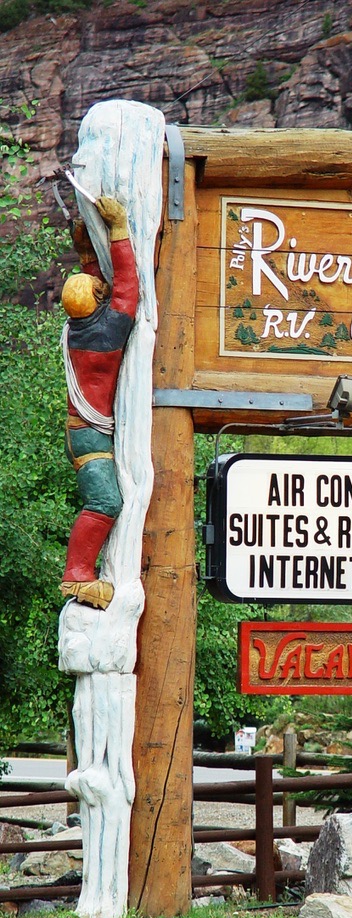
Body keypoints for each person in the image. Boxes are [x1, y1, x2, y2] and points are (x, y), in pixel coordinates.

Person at [60, 196, 139, 610]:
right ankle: (77, 574)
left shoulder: (77, 328)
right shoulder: (107, 335)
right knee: (105, 501)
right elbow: (126, 288)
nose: (102, 288)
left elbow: (94, 288)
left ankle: (81, 572)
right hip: (91, 437)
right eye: (98, 290)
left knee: (105, 500)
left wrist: (87, 252)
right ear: (96, 301)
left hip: (82, 432)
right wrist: (121, 228)